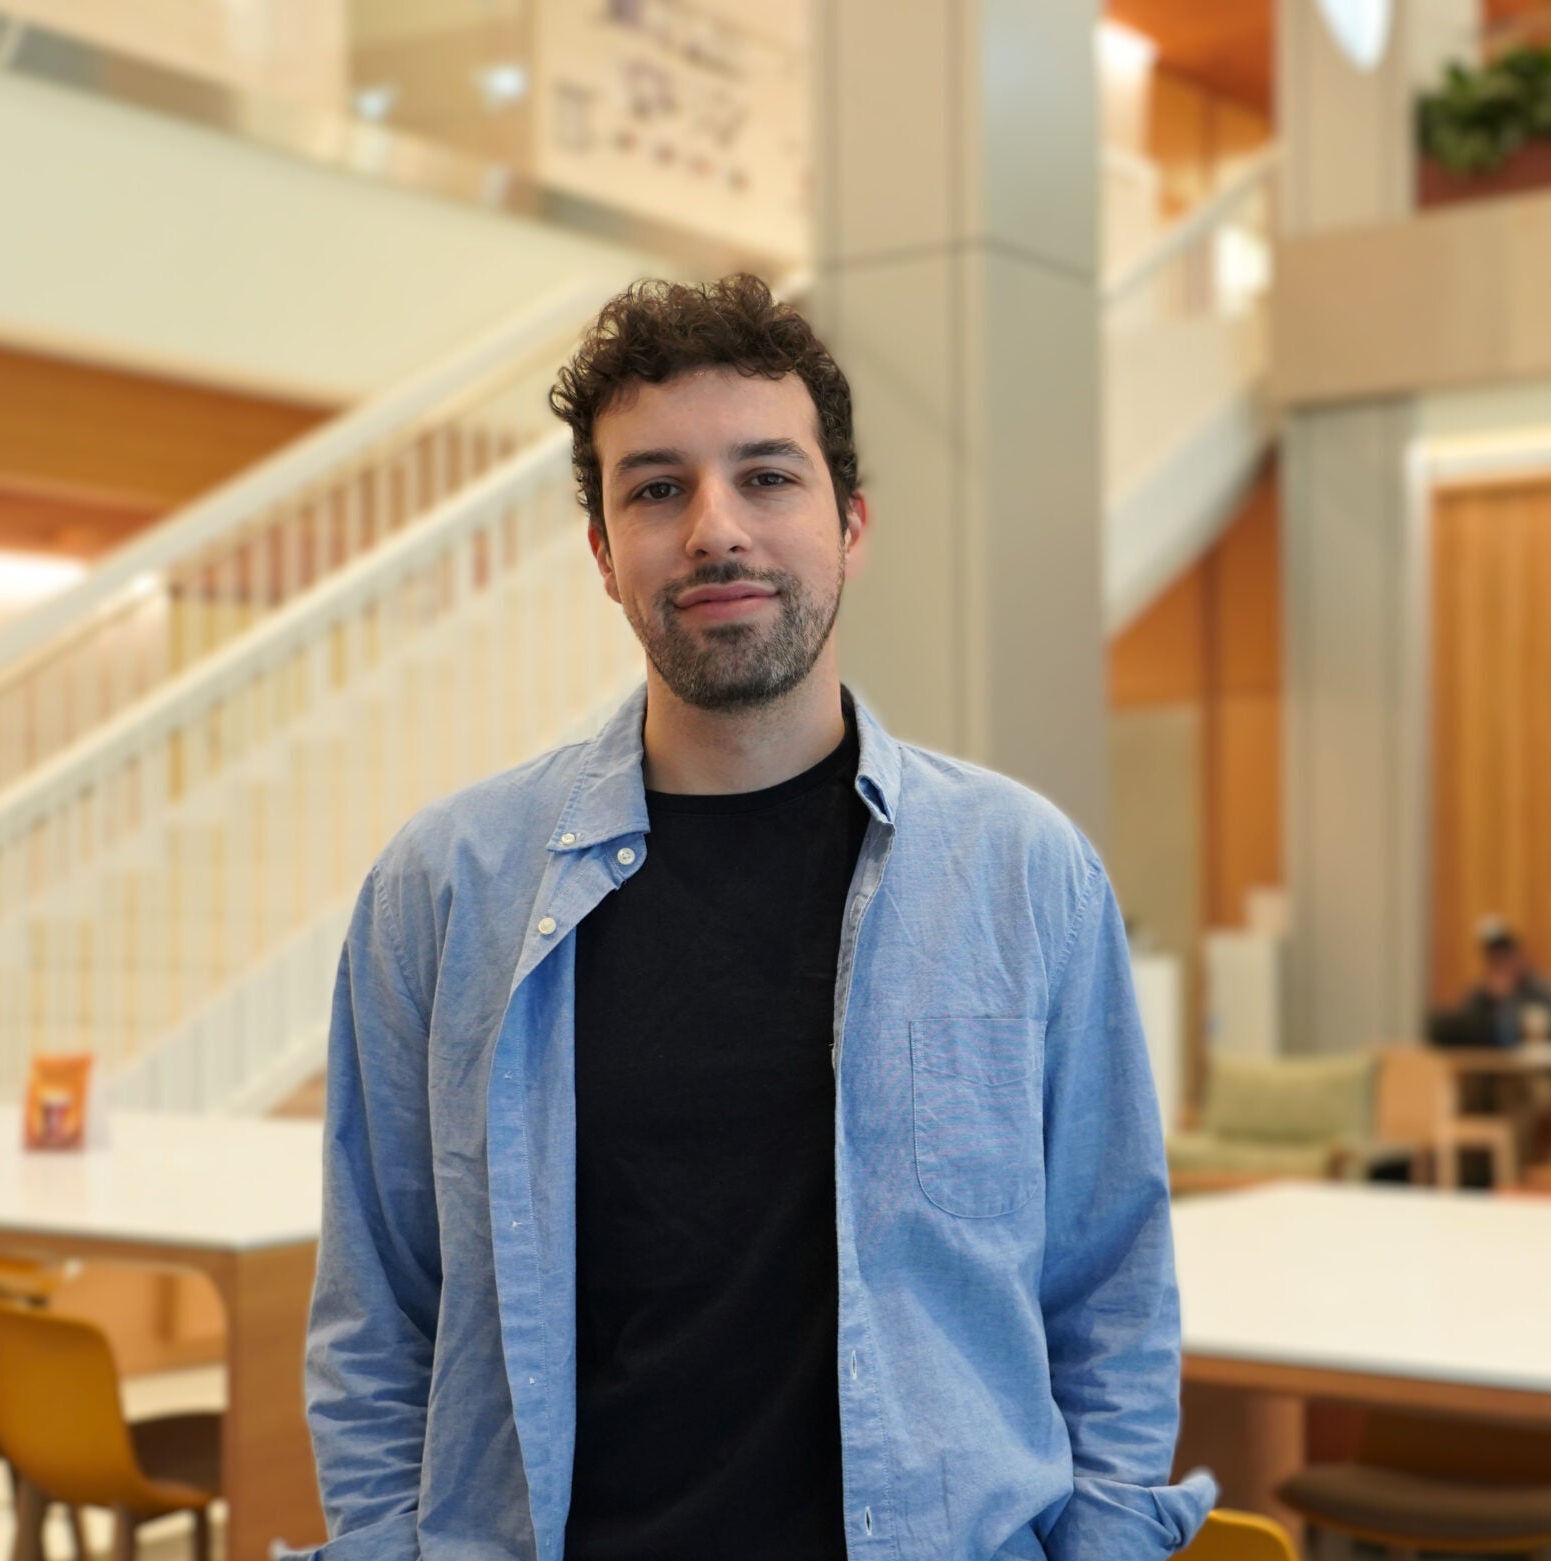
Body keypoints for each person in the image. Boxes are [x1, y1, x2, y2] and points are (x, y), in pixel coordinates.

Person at [303, 276, 1214, 1561]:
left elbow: (1108, 1282)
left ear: (850, 524)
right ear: (603, 551)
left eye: (767, 477)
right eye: (656, 487)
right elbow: (379, 1313)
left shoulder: (1025, 876)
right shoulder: (445, 892)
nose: (714, 529)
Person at [1456, 915, 1551, 1047]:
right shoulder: (1480, 992)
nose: (1501, 960)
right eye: (1494, 956)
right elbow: (1464, 1025)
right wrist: (1489, 999)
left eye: (1505, 953)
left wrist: (1510, 998)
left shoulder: (1539, 986)